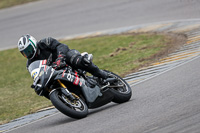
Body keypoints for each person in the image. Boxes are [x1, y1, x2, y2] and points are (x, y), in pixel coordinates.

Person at [17, 34, 108, 81]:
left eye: (28, 50)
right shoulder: (30, 64)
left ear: (33, 43)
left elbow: (62, 46)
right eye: (25, 53)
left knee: (76, 59)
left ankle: (102, 75)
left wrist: (60, 58)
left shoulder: (45, 42)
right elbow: (36, 75)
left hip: (66, 59)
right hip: (55, 72)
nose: (28, 53)